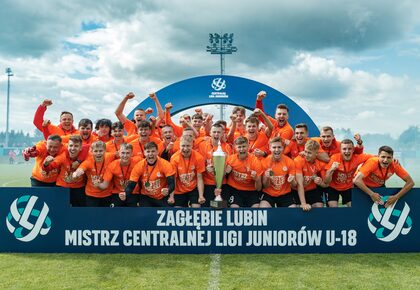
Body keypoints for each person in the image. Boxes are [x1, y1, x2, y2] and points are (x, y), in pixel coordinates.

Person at [125, 142, 176, 207]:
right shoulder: (139, 166)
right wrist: (125, 194)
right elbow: (131, 186)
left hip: (162, 196)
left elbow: (171, 183)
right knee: (145, 214)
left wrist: (168, 190)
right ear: (144, 153)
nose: (150, 154)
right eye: (148, 152)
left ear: (157, 152)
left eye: (153, 151)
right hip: (146, 196)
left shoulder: (165, 164)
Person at [324, 139, 372, 207]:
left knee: (352, 206)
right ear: (340, 150)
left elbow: (374, 158)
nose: (347, 151)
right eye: (344, 149)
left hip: (348, 187)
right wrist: (332, 169)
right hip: (333, 187)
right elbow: (326, 181)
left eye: (349, 149)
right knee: (333, 207)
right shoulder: (335, 158)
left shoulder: (357, 158)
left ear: (353, 150)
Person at [42, 135, 86, 206]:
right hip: (62, 187)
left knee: (79, 211)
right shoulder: (62, 156)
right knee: (58, 209)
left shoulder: (86, 156)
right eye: (71, 145)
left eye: (76, 146)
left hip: (78, 188)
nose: (73, 148)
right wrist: (45, 164)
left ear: (81, 148)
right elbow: (50, 167)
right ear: (67, 146)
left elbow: (90, 146)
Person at [198, 123, 233, 206]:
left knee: (222, 208)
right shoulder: (203, 145)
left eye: (218, 132)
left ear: (223, 134)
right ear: (210, 133)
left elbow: (229, 164)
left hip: (223, 184)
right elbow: (199, 163)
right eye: (214, 132)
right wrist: (206, 168)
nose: (216, 134)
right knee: (207, 208)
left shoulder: (227, 147)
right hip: (208, 184)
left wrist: (227, 170)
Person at [72, 141, 115, 207]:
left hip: (107, 195)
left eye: (101, 151)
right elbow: (80, 169)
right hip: (91, 195)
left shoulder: (110, 156)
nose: (98, 153)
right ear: (91, 152)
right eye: (96, 151)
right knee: (92, 216)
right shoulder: (88, 161)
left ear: (105, 151)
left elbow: (120, 155)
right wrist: (76, 174)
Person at [225, 136, 263, 208]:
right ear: (235, 148)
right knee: (234, 207)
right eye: (239, 147)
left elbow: (258, 188)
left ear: (248, 146)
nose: (242, 149)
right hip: (235, 190)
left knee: (256, 208)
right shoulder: (230, 159)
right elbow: (221, 177)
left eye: (244, 146)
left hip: (251, 191)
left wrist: (257, 179)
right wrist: (226, 172)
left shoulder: (255, 161)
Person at [259, 137, 297, 208]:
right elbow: (265, 186)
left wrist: (292, 180)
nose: (277, 150)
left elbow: (294, 185)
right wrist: (267, 178)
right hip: (269, 194)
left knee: (293, 209)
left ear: (283, 148)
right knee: (263, 208)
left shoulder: (289, 162)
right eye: (274, 147)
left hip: (285, 194)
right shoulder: (264, 162)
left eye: (279, 147)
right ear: (270, 148)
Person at [169, 136, 206, 207]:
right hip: (179, 190)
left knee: (196, 207)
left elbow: (199, 178)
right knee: (178, 211)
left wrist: (201, 196)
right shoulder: (174, 158)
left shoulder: (199, 157)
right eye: (183, 146)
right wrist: (171, 196)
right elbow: (173, 179)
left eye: (188, 146)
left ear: (192, 145)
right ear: (179, 146)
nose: (185, 149)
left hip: (193, 188)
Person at [294, 140, 328, 211]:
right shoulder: (298, 160)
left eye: (309, 153)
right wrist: (303, 203)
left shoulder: (320, 163)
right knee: (297, 208)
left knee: (319, 206)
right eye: (305, 151)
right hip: (297, 190)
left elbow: (326, 185)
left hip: (311, 190)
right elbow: (300, 184)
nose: (306, 154)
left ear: (316, 154)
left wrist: (320, 182)